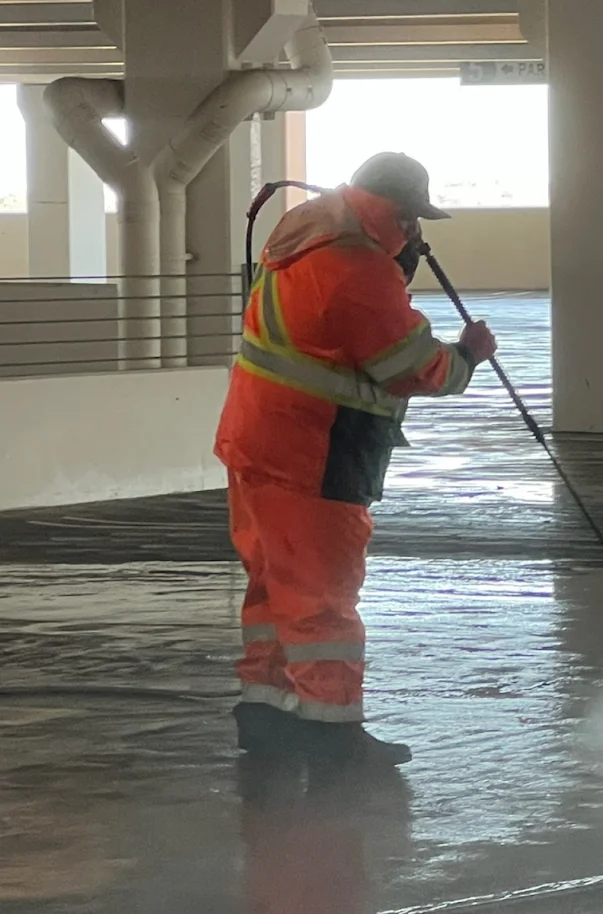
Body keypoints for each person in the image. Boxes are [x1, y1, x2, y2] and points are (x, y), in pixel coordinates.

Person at [214, 152, 497, 770]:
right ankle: (332, 736)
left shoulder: (306, 238)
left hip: (258, 445)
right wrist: (468, 356)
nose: (416, 234)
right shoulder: (358, 269)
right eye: (413, 220)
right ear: (394, 213)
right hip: (314, 457)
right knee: (323, 601)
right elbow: (410, 366)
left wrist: (395, 269)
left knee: (273, 589)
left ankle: (264, 712)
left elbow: (334, 339)